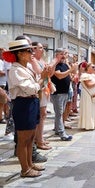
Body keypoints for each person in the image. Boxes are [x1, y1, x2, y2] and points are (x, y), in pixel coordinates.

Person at [3, 39, 48, 177]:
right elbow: (31, 88)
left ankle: (30, 164)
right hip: (23, 104)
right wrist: (43, 78)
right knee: (23, 139)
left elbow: (37, 85)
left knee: (31, 137)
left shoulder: (25, 68)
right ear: (20, 54)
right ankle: (25, 169)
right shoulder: (15, 70)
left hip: (31, 103)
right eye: (29, 51)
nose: (32, 53)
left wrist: (44, 77)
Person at [50, 48, 78, 141]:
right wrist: (71, 71)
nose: (63, 56)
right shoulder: (55, 65)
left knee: (60, 112)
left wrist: (73, 68)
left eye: (64, 54)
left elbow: (71, 76)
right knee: (59, 113)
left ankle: (57, 129)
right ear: (56, 55)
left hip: (65, 92)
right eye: (61, 54)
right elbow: (59, 75)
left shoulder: (65, 64)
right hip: (57, 93)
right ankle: (62, 134)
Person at [31, 41, 53, 150]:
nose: (42, 49)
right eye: (39, 47)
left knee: (42, 115)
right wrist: (55, 61)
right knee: (40, 115)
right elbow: (40, 72)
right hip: (38, 89)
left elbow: (48, 74)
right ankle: (38, 140)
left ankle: (40, 138)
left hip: (44, 89)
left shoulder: (42, 60)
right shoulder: (32, 59)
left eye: (42, 47)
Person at [78, 63, 95, 130]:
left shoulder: (93, 75)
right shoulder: (85, 75)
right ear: (87, 67)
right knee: (88, 109)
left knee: (94, 110)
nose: (94, 68)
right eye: (92, 67)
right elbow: (89, 85)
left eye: (94, 67)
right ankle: (88, 125)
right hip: (88, 95)